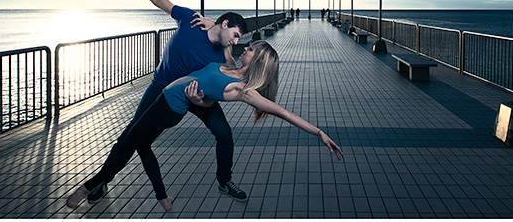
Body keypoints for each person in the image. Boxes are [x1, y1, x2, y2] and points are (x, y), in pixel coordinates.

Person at [66, 40, 343, 211]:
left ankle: (90, 185)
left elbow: (283, 112)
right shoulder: (230, 64)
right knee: (141, 146)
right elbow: (221, 39)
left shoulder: (244, 90)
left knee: (127, 143)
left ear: (256, 60)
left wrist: (318, 132)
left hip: (169, 107)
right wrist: (208, 24)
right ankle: (163, 198)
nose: (244, 47)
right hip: (166, 98)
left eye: (249, 49)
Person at [86, 0, 248, 205]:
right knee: (132, 134)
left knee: (224, 133)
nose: (235, 41)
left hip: (194, 93)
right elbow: (160, 0)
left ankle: (224, 180)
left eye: (238, 39)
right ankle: (102, 180)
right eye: (234, 35)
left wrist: (224, 45)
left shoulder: (221, 50)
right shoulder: (190, 20)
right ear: (225, 23)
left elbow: (231, 68)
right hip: (161, 88)